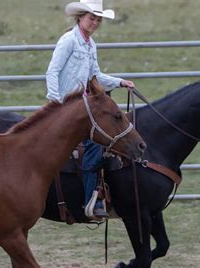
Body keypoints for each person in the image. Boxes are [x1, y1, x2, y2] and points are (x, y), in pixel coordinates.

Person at [46, 0, 135, 218]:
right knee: (96, 142)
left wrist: (119, 81)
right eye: (91, 18)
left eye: (98, 19)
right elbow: (53, 71)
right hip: (68, 105)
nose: (94, 22)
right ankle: (90, 200)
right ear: (80, 18)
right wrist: (56, 102)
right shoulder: (69, 41)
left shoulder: (90, 44)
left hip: (84, 105)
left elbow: (95, 76)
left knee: (109, 133)